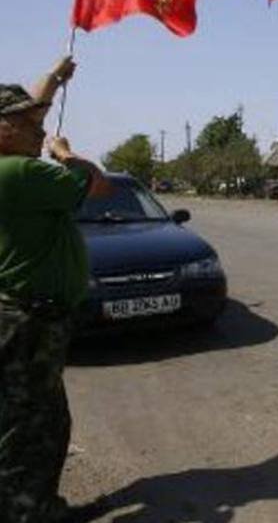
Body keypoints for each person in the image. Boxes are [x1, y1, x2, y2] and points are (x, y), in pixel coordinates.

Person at [0, 57, 109, 523]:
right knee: (30, 427)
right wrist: (64, 153)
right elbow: (95, 183)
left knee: (34, 419)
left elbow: (36, 108)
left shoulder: (14, 167)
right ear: (2, 129)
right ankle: (26, 512)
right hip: (29, 320)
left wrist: (54, 79)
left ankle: (33, 505)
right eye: (26, 124)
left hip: (26, 317)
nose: (38, 130)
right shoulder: (21, 173)